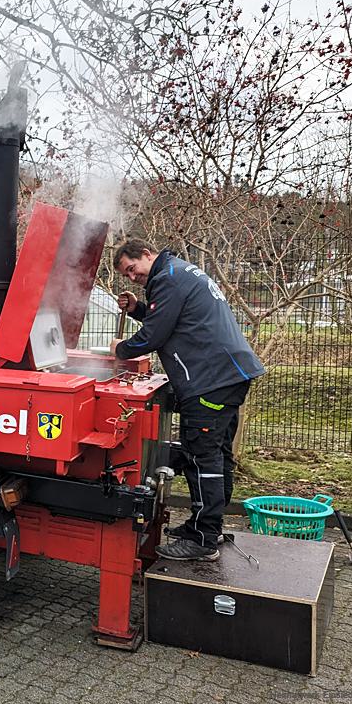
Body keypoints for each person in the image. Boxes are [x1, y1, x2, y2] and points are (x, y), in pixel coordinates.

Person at [109, 238, 266, 561]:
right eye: (127, 275)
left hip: (211, 380)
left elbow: (154, 336)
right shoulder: (177, 273)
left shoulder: (168, 279)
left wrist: (120, 350)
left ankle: (203, 538)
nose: (132, 277)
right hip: (227, 375)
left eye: (132, 269)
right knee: (218, 454)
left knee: (201, 455)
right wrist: (138, 308)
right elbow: (169, 320)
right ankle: (208, 525)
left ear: (147, 254)